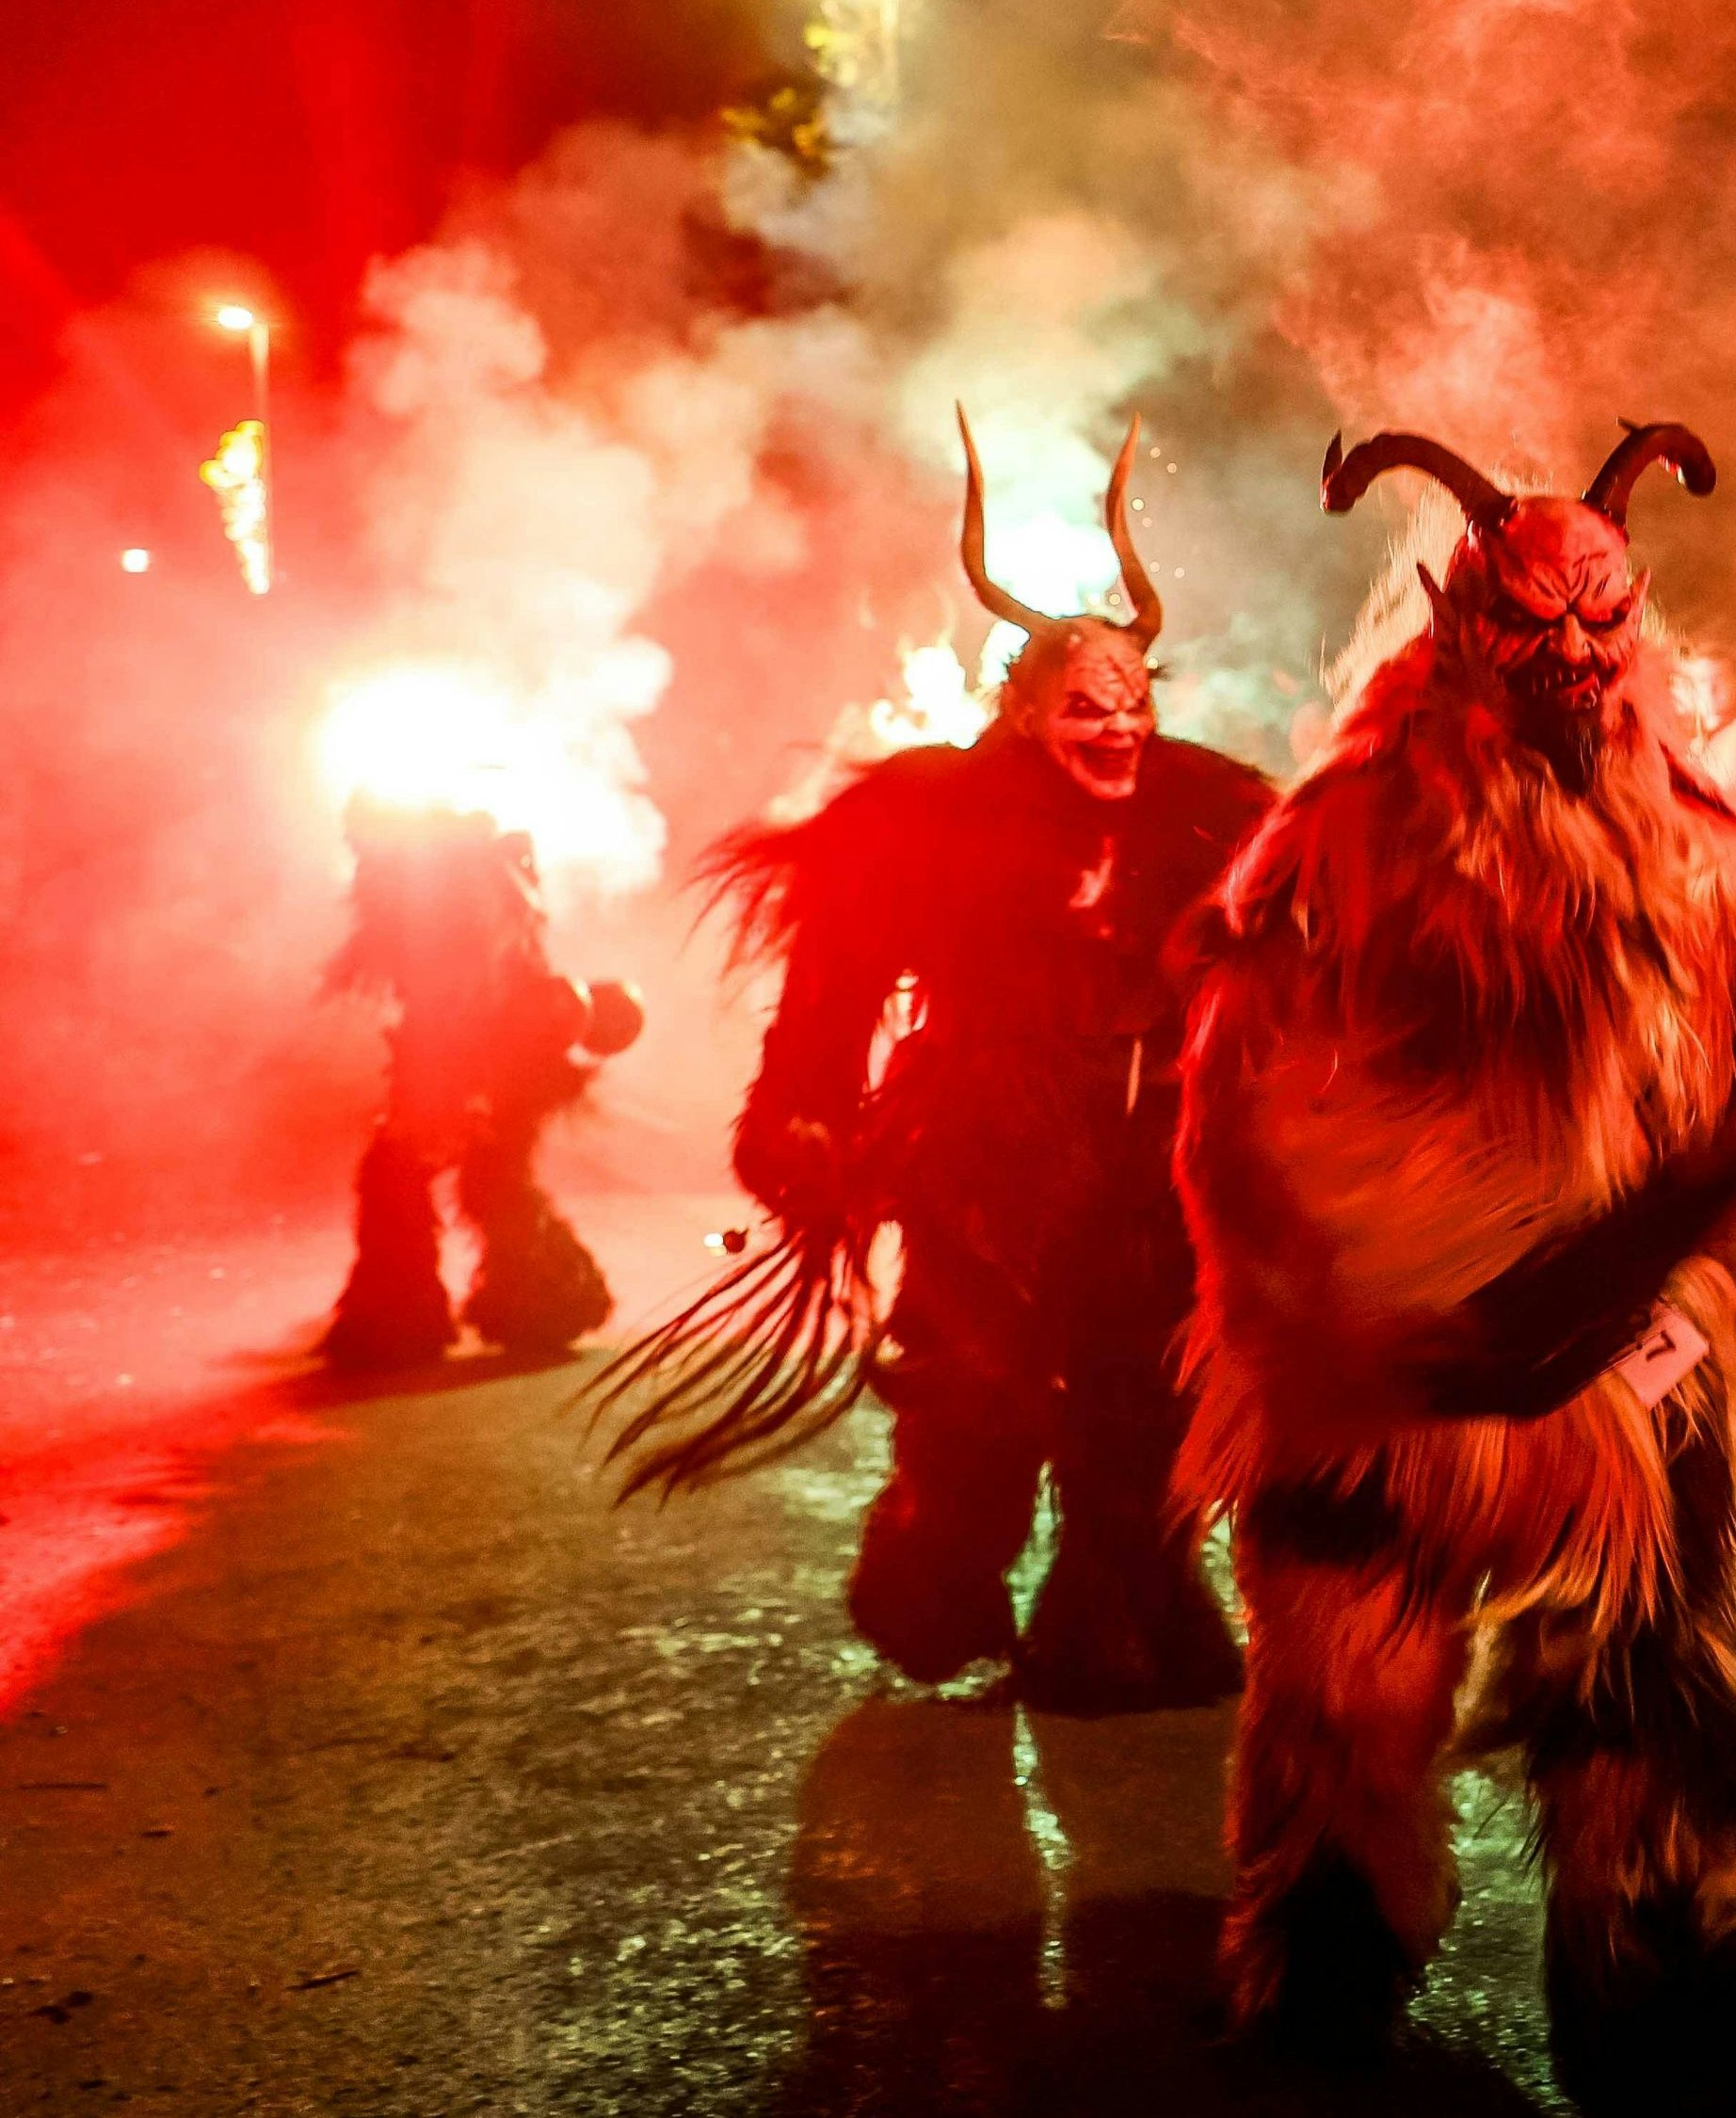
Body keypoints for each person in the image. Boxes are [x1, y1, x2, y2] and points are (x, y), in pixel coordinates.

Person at [1170, 424, 1736, 2096]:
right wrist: (1337, 1303)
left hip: (1628, 1379)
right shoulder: (1336, 847)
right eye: (1532, 630)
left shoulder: (1712, 857)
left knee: (1640, 1711)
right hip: (1384, 1374)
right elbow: (1239, 1105)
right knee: (1345, 1709)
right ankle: (1321, 1987)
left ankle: (1649, 2000)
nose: (1570, 661)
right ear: (1457, 626)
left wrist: (1704, 1302)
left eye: (1601, 629)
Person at [597, 416, 1272, 1717]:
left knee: (1143, 1416)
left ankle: (1122, 1603)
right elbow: (836, 983)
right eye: (1083, 707)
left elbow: (1298, 964)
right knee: (972, 1403)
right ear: (1021, 711)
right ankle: (936, 1568)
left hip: (1153, 1175)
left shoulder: (1215, 811)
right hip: (987, 1165)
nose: (1117, 727)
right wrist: (799, 1109)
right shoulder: (937, 826)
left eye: (1135, 702)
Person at [318, 805, 640, 1372]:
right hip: (482, 1056)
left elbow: (469, 990)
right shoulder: (479, 883)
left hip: (465, 1059)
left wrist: (463, 1085)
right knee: (489, 1179)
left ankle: (402, 1317)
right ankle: (537, 1299)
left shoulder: (460, 892)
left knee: (405, 1175)